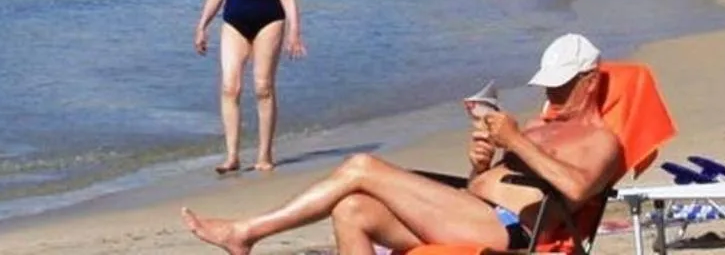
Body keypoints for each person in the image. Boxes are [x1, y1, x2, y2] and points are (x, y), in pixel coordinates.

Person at [181, 33, 620, 255]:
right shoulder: (540, 127)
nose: (553, 94)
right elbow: (483, 186)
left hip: (506, 230)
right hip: (470, 210)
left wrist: (517, 142)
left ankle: (246, 233)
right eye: (549, 85)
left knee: (361, 166)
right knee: (351, 209)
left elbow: (577, 188)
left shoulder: (600, 140)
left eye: (562, 85)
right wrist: (481, 164)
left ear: (589, 80)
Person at [192, 0, 304, 176]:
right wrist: (202, 25)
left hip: (269, 21)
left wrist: (294, 31)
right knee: (230, 87)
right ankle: (232, 156)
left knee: (263, 87)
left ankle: (265, 155)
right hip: (234, 22)